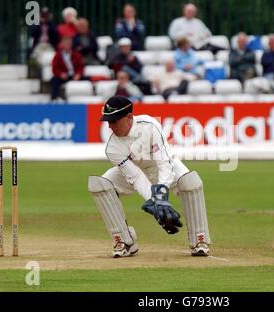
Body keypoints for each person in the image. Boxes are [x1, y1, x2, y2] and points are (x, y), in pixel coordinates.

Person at [87, 96, 211, 257]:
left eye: (115, 121)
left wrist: (161, 196)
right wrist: (155, 204)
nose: (111, 126)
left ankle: (199, 239)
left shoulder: (149, 125)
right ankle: (124, 241)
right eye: (108, 121)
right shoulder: (112, 148)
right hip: (138, 172)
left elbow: (164, 162)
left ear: (129, 117)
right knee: (100, 185)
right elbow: (136, 176)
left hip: (162, 168)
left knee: (190, 182)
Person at [50, 36, 84, 100]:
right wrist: (61, 74)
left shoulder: (76, 54)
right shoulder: (58, 55)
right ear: (62, 44)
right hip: (64, 76)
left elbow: (81, 67)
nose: (67, 45)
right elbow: (54, 68)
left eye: (69, 43)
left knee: (87, 79)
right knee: (54, 80)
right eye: (66, 43)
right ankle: (54, 98)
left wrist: (78, 74)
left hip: (74, 75)